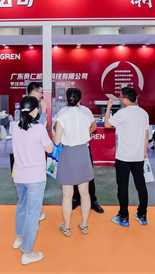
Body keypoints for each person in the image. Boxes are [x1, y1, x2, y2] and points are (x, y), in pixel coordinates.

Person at [11, 96, 53, 265]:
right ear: (35, 110)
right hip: (35, 177)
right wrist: (44, 129)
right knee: (32, 215)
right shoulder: (39, 129)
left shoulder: (15, 127)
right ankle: (27, 253)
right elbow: (49, 149)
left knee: (21, 206)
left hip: (19, 176)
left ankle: (19, 238)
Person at [104, 87, 149, 227]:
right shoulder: (143, 113)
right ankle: (142, 214)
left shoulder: (122, 113)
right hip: (138, 156)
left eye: (120, 97)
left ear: (125, 99)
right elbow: (146, 135)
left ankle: (123, 216)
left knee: (123, 187)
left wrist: (108, 107)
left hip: (123, 157)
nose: (120, 99)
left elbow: (107, 124)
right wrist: (144, 151)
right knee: (141, 185)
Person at [53, 88, 95, 236]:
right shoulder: (85, 116)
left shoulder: (62, 117)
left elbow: (57, 141)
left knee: (67, 195)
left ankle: (66, 227)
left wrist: (53, 133)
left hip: (69, 154)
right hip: (83, 152)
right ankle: (84, 224)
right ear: (79, 100)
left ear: (66, 99)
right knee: (85, 193)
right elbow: (89, 131)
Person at [54, 99, 104, 214]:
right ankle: (76, 200)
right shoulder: (62, 112)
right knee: (71, 178)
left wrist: (82, 136)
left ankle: (93, 201)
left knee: (87, 178)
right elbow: (56, 127)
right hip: (69, 149)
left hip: (83, 147)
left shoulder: (85, 111)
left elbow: (93, 126)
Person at [27, 81, 48, 222]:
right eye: (41, 92)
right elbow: (39, 128)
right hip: (33, 155)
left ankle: (31, 211)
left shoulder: (26, 105)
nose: (42, 95)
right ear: (34, 92)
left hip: (24, 156)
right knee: (35, 187)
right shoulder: (32, 107)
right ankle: (35, 213)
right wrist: (44, 111)